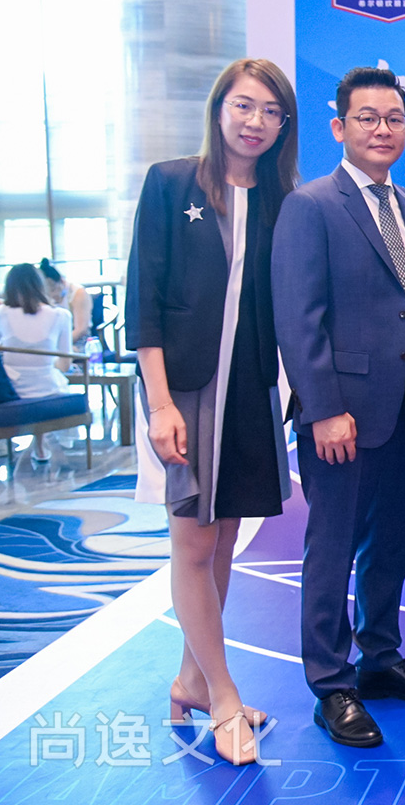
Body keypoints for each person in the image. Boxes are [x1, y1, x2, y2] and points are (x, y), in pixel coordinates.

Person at [273, 65, 405, 750]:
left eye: (394, 118)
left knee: (391, 544)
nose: (383, 129)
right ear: (339, 127)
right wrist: (322, 407)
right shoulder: (311, 205)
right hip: (339, 415)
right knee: (333, 548)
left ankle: (380, 658)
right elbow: (299, 317)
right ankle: (332, 683)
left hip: (401, 411)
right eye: (368, 118)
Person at [124, 58, 299, 765]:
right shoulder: (171, 184)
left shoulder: (285, 201)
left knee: (224, 543)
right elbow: (143, 300)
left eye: (271, 112)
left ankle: (191, 681)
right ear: (219, 107)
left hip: (251, 393)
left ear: (284, 126)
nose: (255, 122)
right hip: (187, 395)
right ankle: (224, 697)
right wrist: (160, 402)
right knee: (194, 546)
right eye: (244, 106)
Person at [0, 264, 74, 464]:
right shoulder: (60, 315)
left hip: (12, 390)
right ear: (39, 285)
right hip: (47, 388)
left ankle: (11, 443)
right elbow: (66, 362)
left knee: (12, 372)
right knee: (51, 377)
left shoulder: (1, 313)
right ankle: (40, 444)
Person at [40, 258, 94, 347]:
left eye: (53, 289)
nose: (52, 295)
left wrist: (57, 345)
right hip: (54, 340)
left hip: (78, 340)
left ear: (62, 281)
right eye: (47, 293)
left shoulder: (78, 293)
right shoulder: (42, 296)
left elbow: (81, 329)